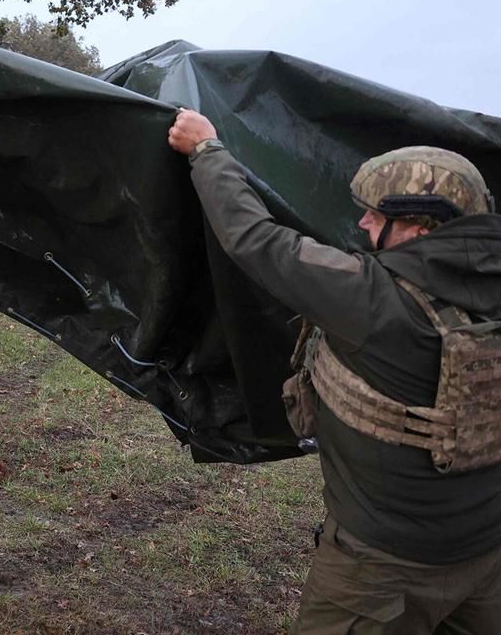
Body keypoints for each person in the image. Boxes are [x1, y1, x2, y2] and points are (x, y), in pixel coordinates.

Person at [167, 108, 501, 634]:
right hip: (486, 552)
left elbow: (254, 238)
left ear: (418, 225)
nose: (363, 224)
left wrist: (207, 150)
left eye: (375, 215)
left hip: (379, 569)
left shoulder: (369, 299)